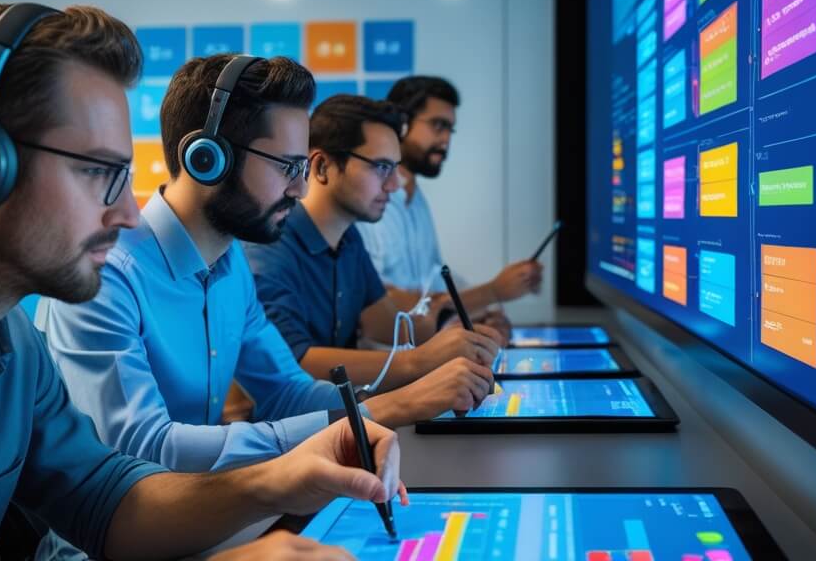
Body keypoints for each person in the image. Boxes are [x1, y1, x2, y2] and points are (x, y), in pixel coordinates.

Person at [0, 0, 400, 560]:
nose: (129, 214)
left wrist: (280, 480)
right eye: (98, 171)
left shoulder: (12, 342)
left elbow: (105, 498)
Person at [40, 55, 496, 495]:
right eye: (287, 167)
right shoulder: (107, 275)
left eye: (302, 168)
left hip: (203, 508)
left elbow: (286, 392)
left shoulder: (231, 262)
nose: (301, 188)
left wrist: (393, 403)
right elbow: (143, 449)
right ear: (207, 158)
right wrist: (389, 408)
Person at [245, 94, 504, 392]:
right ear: (322, 166)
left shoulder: (348, 238)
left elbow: (382, 322)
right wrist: (419, 361)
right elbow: (293, 363)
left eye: (395, 168)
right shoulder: (270, 245)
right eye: (381, 167)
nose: (393, 185)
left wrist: (456, 331)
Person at [356, 76, 543, 321]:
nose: (446, 139)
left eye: (450, 129)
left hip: (423, 341)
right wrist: (492, 293)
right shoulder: (368, 205)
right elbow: (380, 304)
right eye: (438, 125)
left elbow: (435, 282)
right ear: (402, 124)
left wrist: (489, 312)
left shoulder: (417, 200)